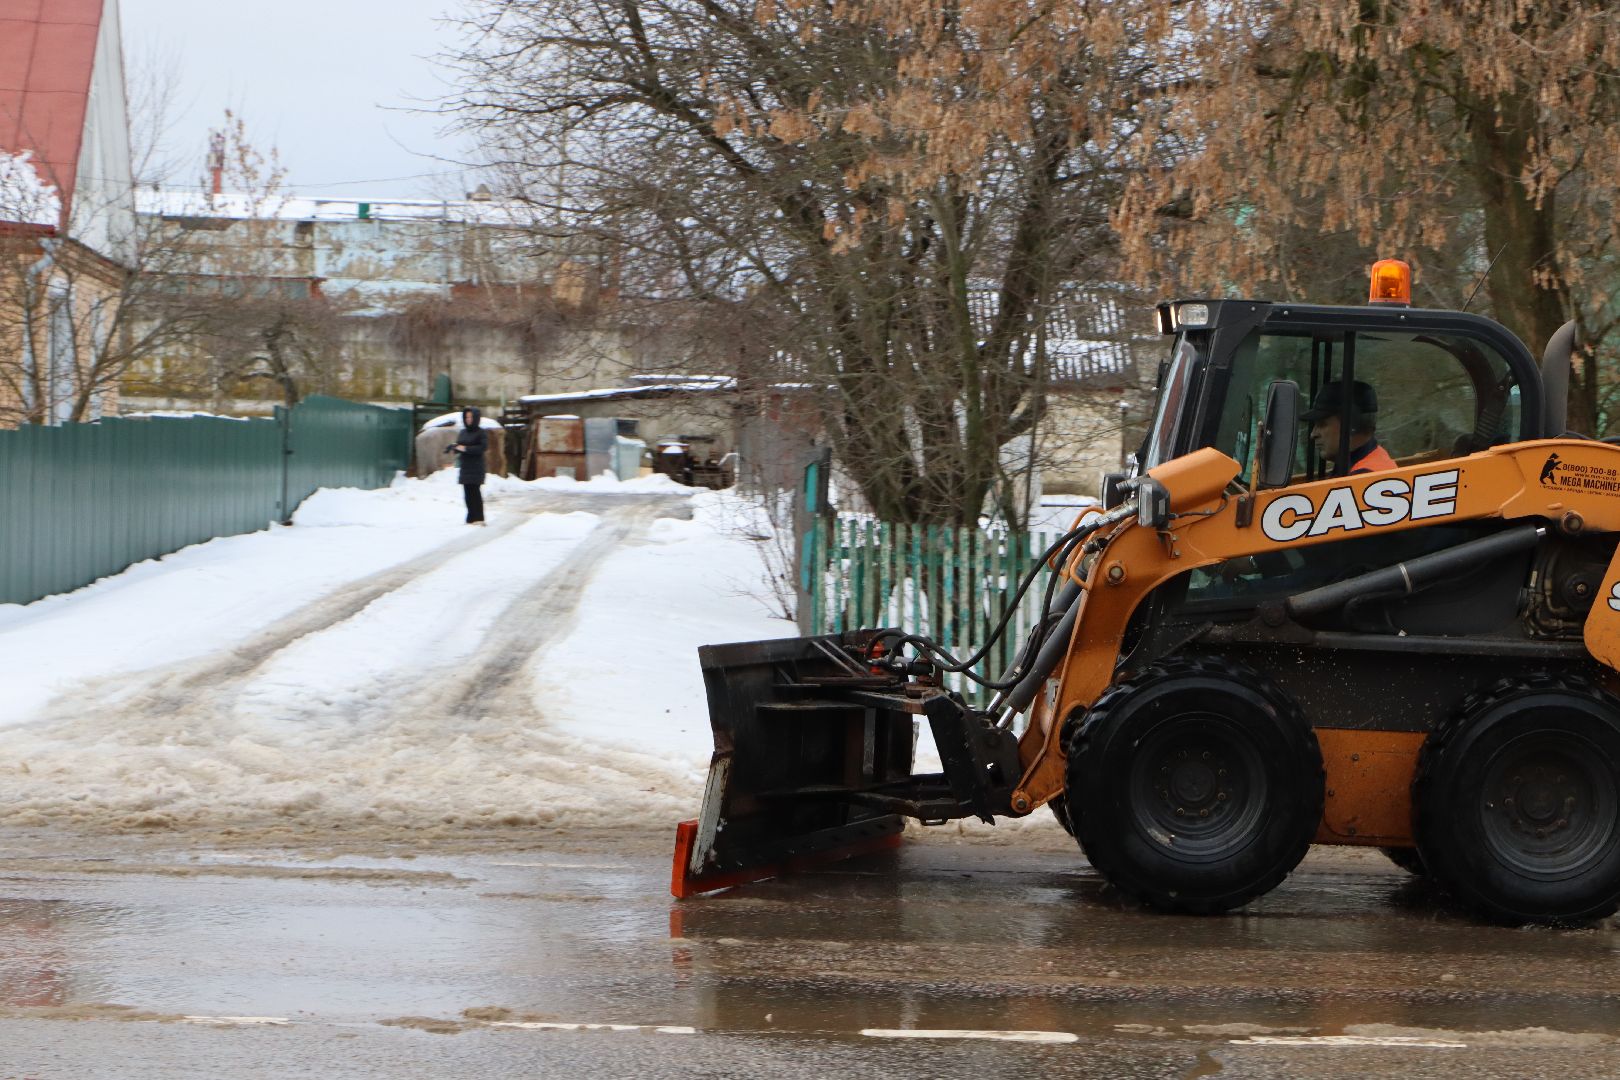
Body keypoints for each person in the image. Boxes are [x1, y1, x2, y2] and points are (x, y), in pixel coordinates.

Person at [1301, 380, 1396, 474]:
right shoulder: (1373, 456)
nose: (1313, 434)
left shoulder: (1364, 476)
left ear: (1351, 425)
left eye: (1322, 424)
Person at [448, 407, 488, 524]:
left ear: (476, 418)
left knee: (475, 492)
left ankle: (479, 518)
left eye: (470, 417)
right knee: (467, 494)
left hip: (476, 467)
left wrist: (465, 448)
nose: (468, 419)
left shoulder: (481, 432)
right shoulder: (463, 432)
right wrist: (454, 447)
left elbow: (482, 448)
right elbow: (460, 445)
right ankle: (470, 517)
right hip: (465, 467)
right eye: (466, 417)